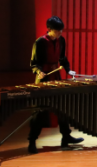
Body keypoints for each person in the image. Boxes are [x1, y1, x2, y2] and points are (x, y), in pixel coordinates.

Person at [28, 16, 83, 154]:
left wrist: (68, 70)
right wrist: (38, 72)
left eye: (61, 30)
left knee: (62, 108)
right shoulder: (40, 42)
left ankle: (66, 137)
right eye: (57, 31)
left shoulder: (61, 40)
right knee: (39, 112)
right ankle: (32, 141)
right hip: (43, 79)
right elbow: (34, 63)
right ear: (49, 29)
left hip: (56, 78)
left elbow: (62, 59)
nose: (60, 33)